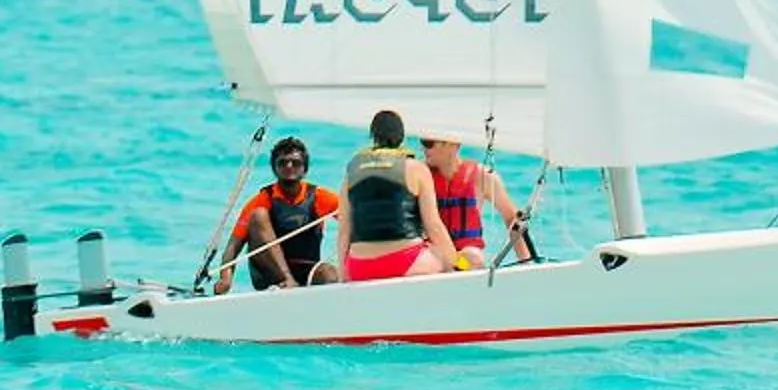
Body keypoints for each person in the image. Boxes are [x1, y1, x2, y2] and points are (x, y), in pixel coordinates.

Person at [336, 109, 458, 282]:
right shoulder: (416, 168)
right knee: (442, 257)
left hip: (360, 267)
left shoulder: (351, 173)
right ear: (401, 137)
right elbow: (433, 225)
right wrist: (455, 263)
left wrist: (344, 274)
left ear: (373, 136)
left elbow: (344, 231)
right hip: (404, 262)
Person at [211, 136, 339, 293]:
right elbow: (233, 247)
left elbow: (353, 221)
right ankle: (287, 280)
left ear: (305, 169)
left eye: (295, 163)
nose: (289, 166)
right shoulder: (260, 201)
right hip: (269, 276)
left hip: (306, 270)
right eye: (282, 162)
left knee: (330, 274)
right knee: (258, 216)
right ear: (274, 168)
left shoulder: (321, 197)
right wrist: (225, 279)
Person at [420, 135, 535, 268]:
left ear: (453, 144)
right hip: (435, 254)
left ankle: (461, 269)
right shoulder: (419, 175)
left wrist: (526, 262)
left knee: (472, 258)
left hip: (463, 260)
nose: (423, 149)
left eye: (428, 143)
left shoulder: (482, 177)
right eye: (422, 142)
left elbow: (512, 219)